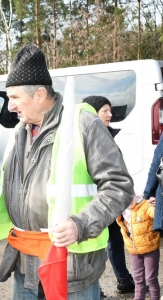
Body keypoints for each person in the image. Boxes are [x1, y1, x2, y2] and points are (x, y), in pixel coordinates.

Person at [0, 44, 135, 300]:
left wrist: (80, 224)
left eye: (14, 97)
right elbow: (24, 186)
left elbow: (119, 187)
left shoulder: (83, 124)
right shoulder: (20, 132)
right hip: (25, 266)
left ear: (39, 94)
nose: (10, 106)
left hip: (70, 269)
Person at [82, 96, 135, 295]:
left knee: (115, 241)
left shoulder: (105, 134)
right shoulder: (87, 136)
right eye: (105, 110)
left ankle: (122, 280)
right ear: (93, 113)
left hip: (107, 201)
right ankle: (96, 286)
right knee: (95, 246)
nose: (110, 115)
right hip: (93, 204)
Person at [116, 195, 161, 300]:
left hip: (150, 248)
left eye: (130, 196)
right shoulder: (122, 211)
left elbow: (155, 214)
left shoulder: (145, 205)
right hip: (134, 251)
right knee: (138, 279)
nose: (129, 201)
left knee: (151, 278)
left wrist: (157, 205)